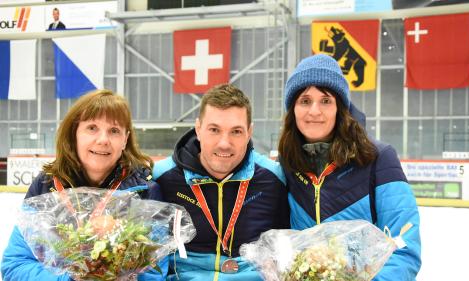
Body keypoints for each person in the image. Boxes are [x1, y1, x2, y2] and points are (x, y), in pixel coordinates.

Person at [278, 54, 421, 280]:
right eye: (305, 101)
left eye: (325, 100)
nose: (314, 110)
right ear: (293, 109)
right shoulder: (286, 165)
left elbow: (404, 246)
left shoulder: (379, 158)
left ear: (340, 108)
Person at [1, 89, 158, 280]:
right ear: (74, 133)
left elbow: (155, 271)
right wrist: (70, 279)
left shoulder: (145, 191)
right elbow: (15, 264)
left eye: (114, 131)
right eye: (92, 128)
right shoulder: (45, 185)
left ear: (125, 139)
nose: (103, 140)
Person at [143, 83, 290, 281]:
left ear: (249, 132)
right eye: (214, 130)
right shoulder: (162, 177)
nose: (224, 143)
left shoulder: (274, 178)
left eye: (236, 131)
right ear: (198, 129)